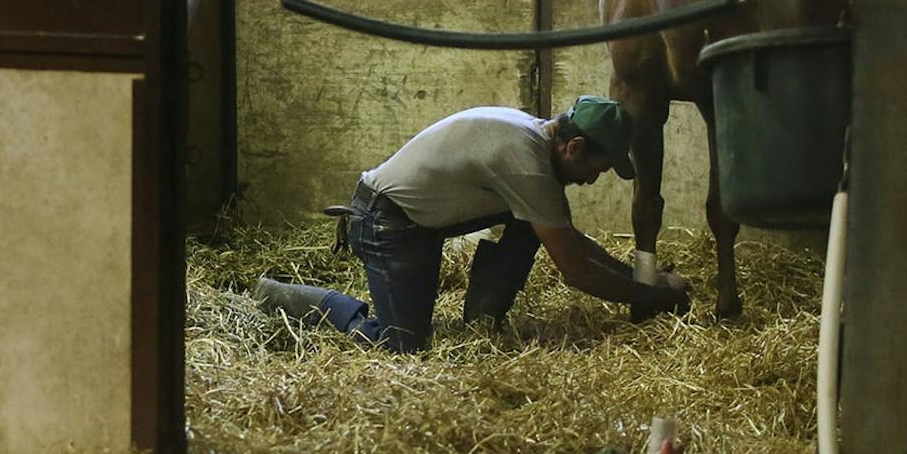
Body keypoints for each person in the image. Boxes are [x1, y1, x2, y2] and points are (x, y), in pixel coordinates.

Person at [252, 95, 690, 352]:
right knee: (400, 345)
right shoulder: (527, 166)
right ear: (574, 146)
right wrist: (649, 294)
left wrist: (638, 278)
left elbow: (568, 239)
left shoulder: (534, 137)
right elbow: (574, 270)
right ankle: (288, 298)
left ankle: (480, 325)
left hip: (419, 221)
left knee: (532, 224)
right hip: (386, 223)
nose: (594, 178)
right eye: (598, 167)